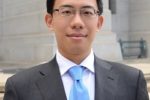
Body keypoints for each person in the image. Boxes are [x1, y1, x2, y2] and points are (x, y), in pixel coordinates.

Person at [3, 0, 149, 100]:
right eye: (66, 12)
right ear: (50, 21)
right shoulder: (20, 88)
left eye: (87, 12)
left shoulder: (131, 82)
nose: (77, 22)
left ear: (99, 22)